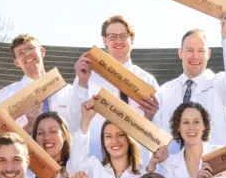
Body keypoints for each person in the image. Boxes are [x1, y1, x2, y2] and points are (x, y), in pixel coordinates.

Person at [69, 15, 161, 159]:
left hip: (139, 161)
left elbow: (160, 131)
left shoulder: (147, 81)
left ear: (132, 38)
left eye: (123, 36)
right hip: (98, 160)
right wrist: (82, 83)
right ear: (104, 40)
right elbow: (73, 122)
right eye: (112, 36)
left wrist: (152, 116)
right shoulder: (87, 76)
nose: (118, 41)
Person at [152, 15, 226, 146]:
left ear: (208, 54)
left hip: (211, 163)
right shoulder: (164, 91)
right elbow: (157, 131)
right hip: (173, 163)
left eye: (201, 51)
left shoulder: (219, 84)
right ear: (180, 53)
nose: (195, 56)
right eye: (190, 50)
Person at [0, 34, 74, 126]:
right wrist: (29, 126)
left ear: (42, 51)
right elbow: (1, 135)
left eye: (30, 48)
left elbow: (77, 130)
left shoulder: (69, 91)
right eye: (20, 52)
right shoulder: (4, 96)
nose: (27, 54)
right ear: (16, 62)